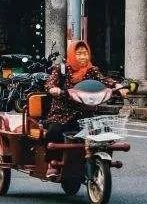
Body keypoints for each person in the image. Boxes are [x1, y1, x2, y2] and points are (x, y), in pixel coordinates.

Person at [44, 40, 126, 178]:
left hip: (86, 113)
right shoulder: (61, 69)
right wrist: (54, 89)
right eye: (79, 54)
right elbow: (49, 83)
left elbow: (104, 80)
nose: (83, 57)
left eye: (85, 53)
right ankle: (52, 164)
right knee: (54, 132)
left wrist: (117, 86)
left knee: (104, 132)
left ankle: (100, 161)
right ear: (72, 54)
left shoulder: (92, 70)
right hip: (62, 113)